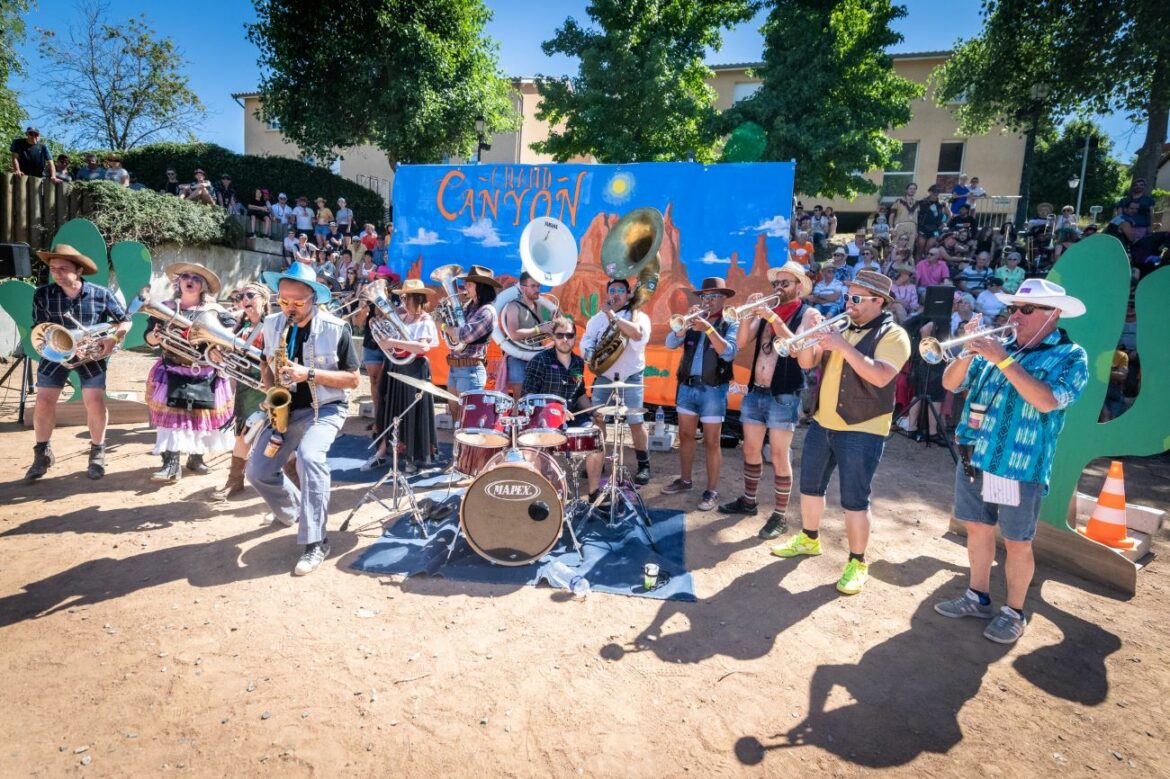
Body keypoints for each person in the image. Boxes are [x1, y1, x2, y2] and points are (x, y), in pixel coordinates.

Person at [935, 279, 1088, 644]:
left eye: (1026, 310)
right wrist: (966, 352)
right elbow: (950, 383)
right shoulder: (998, 347)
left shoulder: (1071, 355)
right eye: (1014, 308)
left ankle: (1014, 611)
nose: (1014, 315)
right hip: (976, 458)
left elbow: (1047, 400)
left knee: (1018, 542)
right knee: (977, 528)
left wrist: (1001, 360)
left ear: (1053, 315)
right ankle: (977, 595)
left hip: (1019, 467)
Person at [770, 271, 911, 596]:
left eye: (857, 298)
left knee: (854, 500)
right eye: (849, 296)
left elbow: (879, 377)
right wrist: (806, 334)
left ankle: (858, 562)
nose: (849, 303)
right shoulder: (843, 326)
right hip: (824, 421)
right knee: (810, 487)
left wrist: (841, 344)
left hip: (863, 428)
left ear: (879, 301)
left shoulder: (895, 335)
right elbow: (806, 362)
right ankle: (809, 538)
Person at [246, 262, 361, 576]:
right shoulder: (272, 323)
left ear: (314, 298)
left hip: (325, 408)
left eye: (298, 302)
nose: (289, 308)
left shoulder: (337, 328)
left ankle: (316, 541)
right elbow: (266, 365)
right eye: (283, 300)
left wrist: (307, 373)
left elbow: (353, 380)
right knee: (257, 471)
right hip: (285, 410)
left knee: (310, 458)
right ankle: (294, 509)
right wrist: (271, 394)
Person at [718, 262, 814, 538]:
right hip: (756, 391)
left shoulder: (808, 314)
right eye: (776, 283)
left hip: (784, 394)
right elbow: (745, 340)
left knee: (778, 455)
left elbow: (798, 346)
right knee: (750, 450)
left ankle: (780, 515)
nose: (779, 288)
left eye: (785, 283)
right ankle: (749, 502)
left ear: (798, 286)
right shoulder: (767, 313)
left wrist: (772, 317)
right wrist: (748, 311)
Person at [24, 244, 132, 482]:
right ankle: (42, 453)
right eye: (53, 268)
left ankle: (97, 452)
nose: (57, 273)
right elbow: (41, 329)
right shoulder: (42, 294)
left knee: (94, 401)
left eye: (63, 268)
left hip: (91, 356)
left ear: (79, 270)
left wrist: (113, 338)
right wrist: (64, 347)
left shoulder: (100, 293)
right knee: (43, 401)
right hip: (56, 353)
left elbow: (125, 321)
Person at [143, 263, 237, 482]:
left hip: (204, 370)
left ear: (203, 285)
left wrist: (219, 347)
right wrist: (155, 337)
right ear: (178, 282)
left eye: (196, 278)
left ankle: (196, 458)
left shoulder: (215, 311)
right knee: (171, 419)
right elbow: (147, 337)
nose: (190, 280)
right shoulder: (164, 307)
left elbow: (230, 336)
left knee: (201, 416)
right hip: (172, 368)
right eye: (186, 276)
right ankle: (170, 464)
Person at [662, 277, 739, 511]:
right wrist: (685, 325)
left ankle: (711, 491)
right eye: (705, 297)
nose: (709, 301)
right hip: (687, 386)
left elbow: (728, 352)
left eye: (714, 296)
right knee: (685, 435)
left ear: (724, 299)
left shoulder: (730, 321)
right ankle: (685, 481)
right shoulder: (694, 319)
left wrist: (708, 328)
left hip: (713, 389)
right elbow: (669, 343)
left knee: (711, 441)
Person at [580, 277, 653, 484]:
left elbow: (637, 335)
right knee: (598, 419)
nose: (616, 294)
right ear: (607, 293)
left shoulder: (639, 317)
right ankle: (599, 461)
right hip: (604, 375)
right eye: (612, 290)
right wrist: (590, 352)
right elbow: (587, 341)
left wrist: (612, 315)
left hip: (631, 375)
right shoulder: (596, 319)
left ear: (629, 294)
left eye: (621, 290)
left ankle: (644, 465)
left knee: (635, 421)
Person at [522, 316, 604, 499]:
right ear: (552, 337)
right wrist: (556, 410)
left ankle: (593, 493)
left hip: (573, 416)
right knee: (535, 455)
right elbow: (528, 397)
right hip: (544, 420)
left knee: (597, 437)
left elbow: (580, 393)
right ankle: (541, 495)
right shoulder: (539, 361)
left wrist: (592, 411)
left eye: (569, 335)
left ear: (575, 337)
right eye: (560, 335)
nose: (565, 339)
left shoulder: (578, 363)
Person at [367, 279, 440, 473]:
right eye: (401, 296)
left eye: (405, 297)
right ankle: (382, 451)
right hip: (396, 367)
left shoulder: (425, 319)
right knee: (390, 409)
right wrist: (377, 325)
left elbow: (423, 347)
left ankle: (412, 458)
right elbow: (382, 332)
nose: (402, 300)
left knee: (411, 412)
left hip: (415, 368)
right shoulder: (401, 315)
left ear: (416, 298)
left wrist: (393, 343)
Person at [215, 283, 271, 498]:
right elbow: (227, 354)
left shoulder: (275, 325)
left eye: (250, 295)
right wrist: (219, 355)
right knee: (243, 435)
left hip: (270, 386)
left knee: (279, 437)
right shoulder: (240, 327)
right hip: (247, 386)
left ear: (264, 299)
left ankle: (293, 484)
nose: (244, 299)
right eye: (241, 296)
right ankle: (235, 481)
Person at [440, 265, 500, 423]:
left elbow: (464, 335)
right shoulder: (468, 307)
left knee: (468, 419)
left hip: (471, 370)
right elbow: (451, 340)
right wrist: (446, 317)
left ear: (481, 288)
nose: (465, 287)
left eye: (469, 284)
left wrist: (444, 326)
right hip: (455, 367)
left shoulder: (487, 311)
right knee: (456, 416)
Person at [500, 271, 555, 399]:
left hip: (536, 357)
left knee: (537, 396)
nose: (537, 290)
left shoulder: (539, 306)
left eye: (538, 286)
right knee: (520, 398)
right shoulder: (513, 306)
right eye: (533, 286)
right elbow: (514, 334)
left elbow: (543, 333)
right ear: (523, 288)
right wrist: (539, 329)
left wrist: (552, 326)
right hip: (517, 357)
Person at [889, 182, 920, 249]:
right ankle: (893, 259)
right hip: (900, 225)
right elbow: (892, 215)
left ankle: (908, 259)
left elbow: (917, 217)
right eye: (910, 188)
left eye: (914, 189)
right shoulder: (899, 201)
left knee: (910, 248)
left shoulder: (917, 203)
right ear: (906, 190)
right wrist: (891, 228)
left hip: (912, 226)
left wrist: (916, 231)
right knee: (895, 246)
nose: (912, 190)